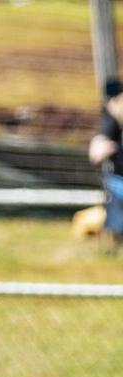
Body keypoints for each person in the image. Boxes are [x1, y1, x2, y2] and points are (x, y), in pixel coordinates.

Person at [88, 77, 123, 253]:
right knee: (117, 219)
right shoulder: (110, 122)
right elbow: (96, 152)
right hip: (117, 179)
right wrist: (116, 148)